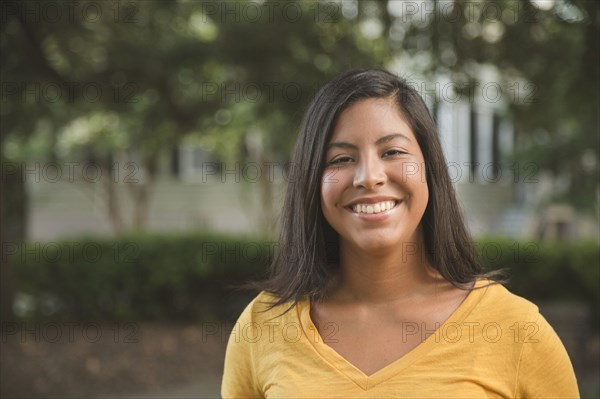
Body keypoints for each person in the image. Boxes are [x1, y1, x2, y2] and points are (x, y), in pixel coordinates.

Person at [221, 69, 579, 398]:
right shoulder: (262, 325)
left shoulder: (516, 330)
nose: (369, 176)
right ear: (312, 181)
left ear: (429, 169)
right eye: (341, 159)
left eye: (392, 152)